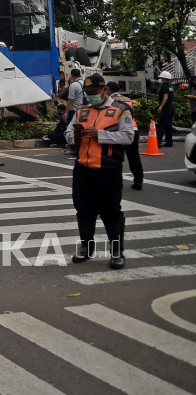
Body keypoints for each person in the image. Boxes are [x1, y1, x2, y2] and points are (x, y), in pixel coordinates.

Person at [65, 73, 134, 269]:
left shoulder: (121, 109)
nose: (90, 96)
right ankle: (86, 248)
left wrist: (99, 135)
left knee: (111, 212)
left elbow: (128, 136)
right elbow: (68, 134)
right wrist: (75, 135)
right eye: (87, 93)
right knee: (84, 211)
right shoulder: (82, 111)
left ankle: (116, 252)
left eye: (94, 92)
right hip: (83, 170)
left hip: (107, 170)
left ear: (105, 90)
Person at [107, 82, 144, 190]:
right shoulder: (128, 99)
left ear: (109, 90)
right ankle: (138, 180)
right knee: (134, 157)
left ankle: (117, 182)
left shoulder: (111, 101)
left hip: (119, 130)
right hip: (133, 129)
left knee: (117, 157)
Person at [64, 69, 85, 160]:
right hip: (83, 110)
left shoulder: (74, 85)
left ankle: (73, 150)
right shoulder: (84, 83)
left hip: (74, 110)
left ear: (72, 75)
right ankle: (78, 149)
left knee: (72, 130)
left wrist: (66, 113)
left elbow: (70, 100)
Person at [156, 71, 174, 148]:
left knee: (161, 125)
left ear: (164, 79)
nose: (160, 79)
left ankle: (157, 142)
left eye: (161, 78)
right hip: (170, 108)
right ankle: (169, 142)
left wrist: (160, 107)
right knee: (168, 126)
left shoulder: (164, 87)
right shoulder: (170, 86)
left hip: (165, 109)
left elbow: (165, 97)